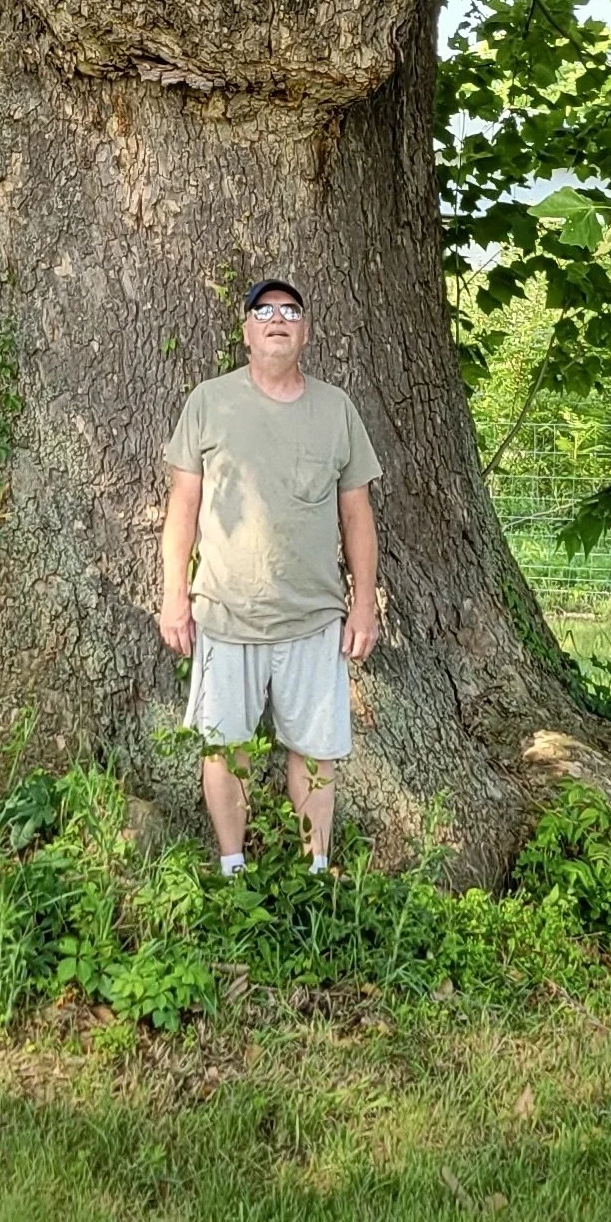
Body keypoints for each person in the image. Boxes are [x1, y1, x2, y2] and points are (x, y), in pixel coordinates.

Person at [157, 276, 381, 874]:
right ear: (247, 331)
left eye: (289, 310)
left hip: (313, 617)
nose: (276, 319)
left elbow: (356, 513)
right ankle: (233, 868)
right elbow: (182, 505)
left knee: (315, 751)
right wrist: (173, 596)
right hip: (225, 615)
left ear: (304, 331)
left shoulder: (336, 409)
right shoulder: (209, 401)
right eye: (263, 311)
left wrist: (364, 604)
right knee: (225, 747)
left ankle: (314, 873)